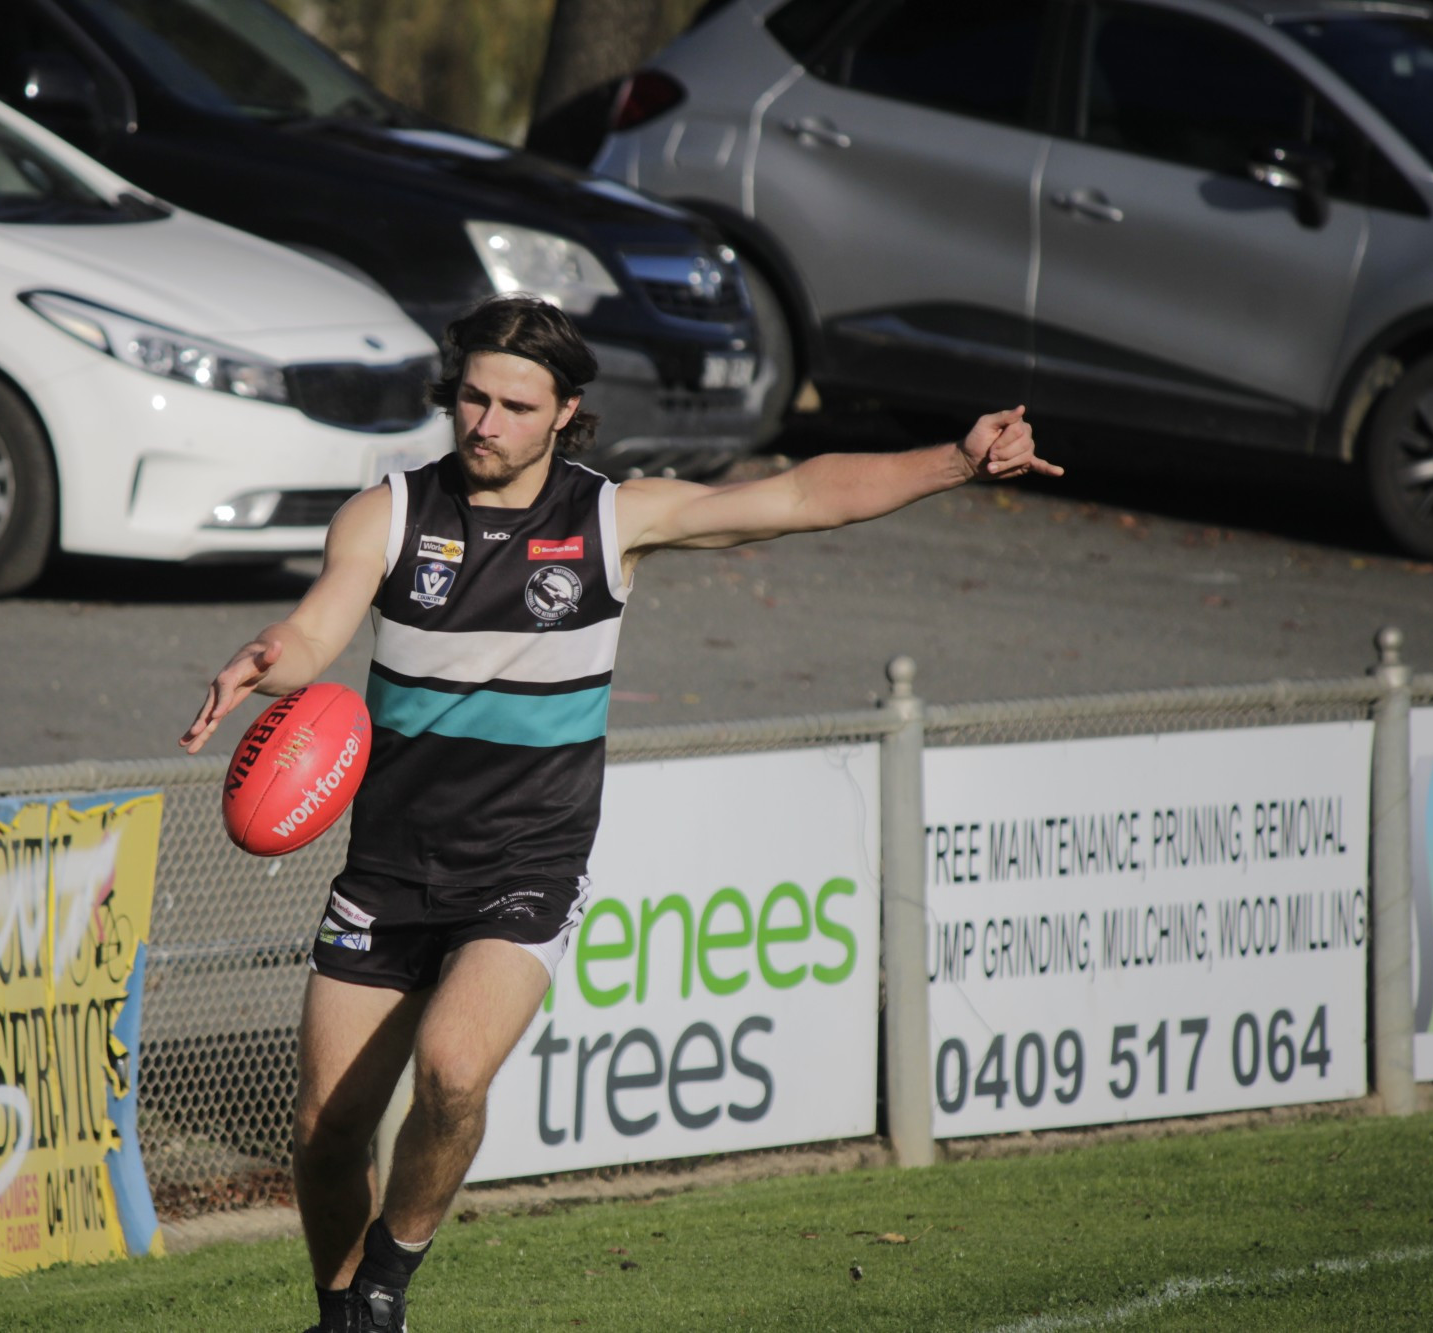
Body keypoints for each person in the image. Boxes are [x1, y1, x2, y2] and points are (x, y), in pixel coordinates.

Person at [179, 294, 1060, 1332]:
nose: (484, 423)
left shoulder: (609, 517)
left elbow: (796, 495)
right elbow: (322, 619)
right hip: (387, 863)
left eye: (514, 404)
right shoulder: (388, 513)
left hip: (525, 858)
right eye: (471, 396)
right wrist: (275, 654)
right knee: (326, 1131)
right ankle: (345, 1317)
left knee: (453, 1070)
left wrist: (954, 461)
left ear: (564, 412)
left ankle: (386, 1282)